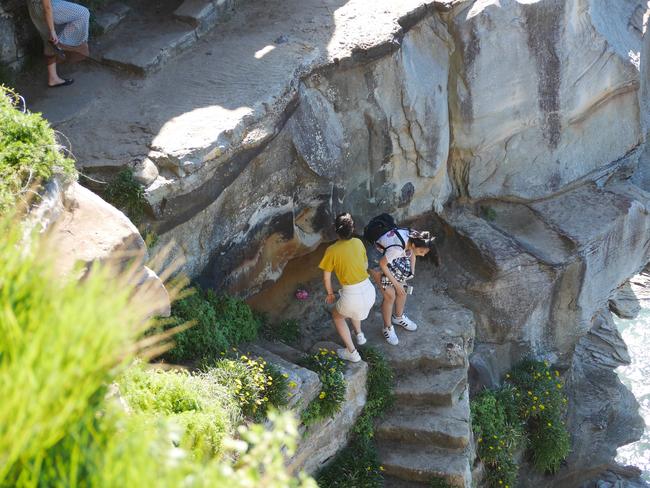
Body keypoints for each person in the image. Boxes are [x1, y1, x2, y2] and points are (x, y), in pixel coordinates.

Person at [319, 213, 376, 363]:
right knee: (355, 312)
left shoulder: (332, 250)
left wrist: (330, 294)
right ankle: (359, 334)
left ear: (335, 230)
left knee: (337, 316)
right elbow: (365, 265)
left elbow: (326, 277)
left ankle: (352, 352)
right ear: (353, 228)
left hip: (352, 296)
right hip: (369, 290)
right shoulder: (358, 242)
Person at [369, 229, 435, 345]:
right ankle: (387, 327)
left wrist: (411, 272)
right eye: (422, 251)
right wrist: (395, 284)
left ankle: (398, 317)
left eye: (425, 252)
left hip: (392, 258)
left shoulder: (415, 236)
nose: (423, 254)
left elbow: (412, 253)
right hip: (377, 260)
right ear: (414, 245)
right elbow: (382, 264)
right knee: (390, 295)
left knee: (403, 291)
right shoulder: (397, 248)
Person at [27, 0, 90, 87]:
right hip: (45, 7)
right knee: (83, 13)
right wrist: (52, 31)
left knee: (48, 38)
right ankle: (59, 44)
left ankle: (53, 78)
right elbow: (47, 7)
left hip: (33, 8)